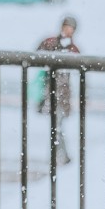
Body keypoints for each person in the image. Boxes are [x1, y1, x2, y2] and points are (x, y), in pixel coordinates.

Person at [34, 16, 81, 165]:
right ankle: (61, 155)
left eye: (71, 28)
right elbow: (37, 55)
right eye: (66, 27)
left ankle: (61, 154)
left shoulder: (73, 49)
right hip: (50, 89)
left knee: (57, 125)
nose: (68, 30)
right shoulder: (50, 42)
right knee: (57, 125)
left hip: (62, 92)